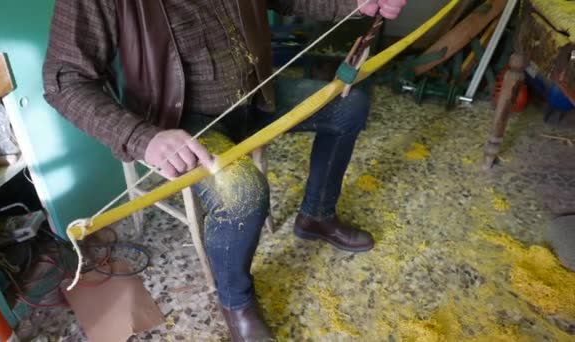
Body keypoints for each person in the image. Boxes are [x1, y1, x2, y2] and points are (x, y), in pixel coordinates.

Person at [43, 0, 406, 339]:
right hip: (183, 121)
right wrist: (141, 137)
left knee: (349, 106)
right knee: (243, 193)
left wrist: (355, 2)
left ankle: (316, 216)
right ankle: (236, 300)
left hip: (256, 95)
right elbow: (64, 80)